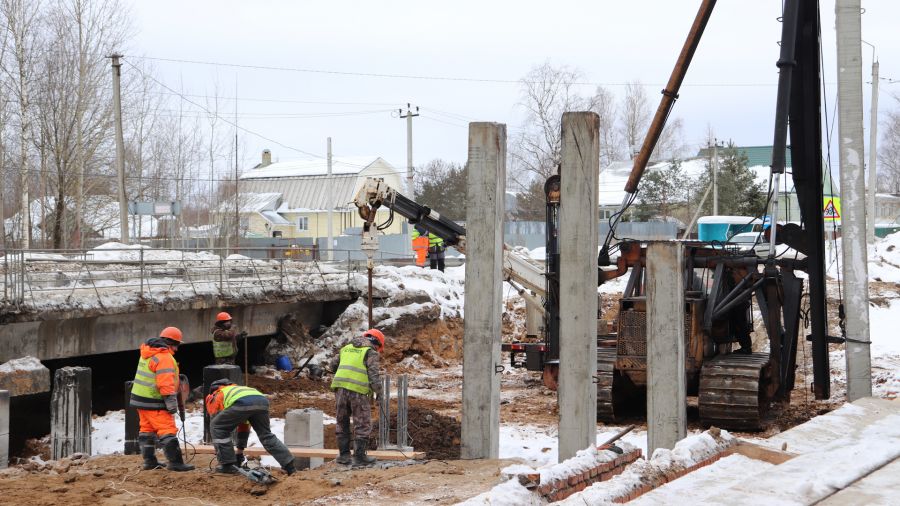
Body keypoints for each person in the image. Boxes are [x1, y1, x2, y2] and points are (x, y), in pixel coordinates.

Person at [130, 326, 195, 472]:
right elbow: (164, 383)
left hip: (140, 400)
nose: (177, 349)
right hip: (155, 402)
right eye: (176, 345)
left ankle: (149, 461)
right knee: (167, 430)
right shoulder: (164, 357)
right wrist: (171, 403)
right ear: (170, 342)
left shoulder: (147, 352)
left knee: (146, 429)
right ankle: (175, 462)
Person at [205, 379, 297, 475]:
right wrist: (239, 452)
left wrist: (223, 453)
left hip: (242, 402)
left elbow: (216, 424)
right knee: (266, 435)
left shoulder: (216, 394)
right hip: (261, 400)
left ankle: (227, 466)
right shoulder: (238, 389)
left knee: (216, 427)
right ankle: (289, 465)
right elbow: (244, 425)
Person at [329, 329, 384, 466]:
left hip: (340, 388)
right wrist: (379, 393)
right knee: (362, 422)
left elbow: (332, 365)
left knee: (342, 421)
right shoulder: (370, 351)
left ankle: (344, 456)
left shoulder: (346, 348)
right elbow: (373, 375)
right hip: (358, 391)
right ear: (376, 342)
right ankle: (359, 457)